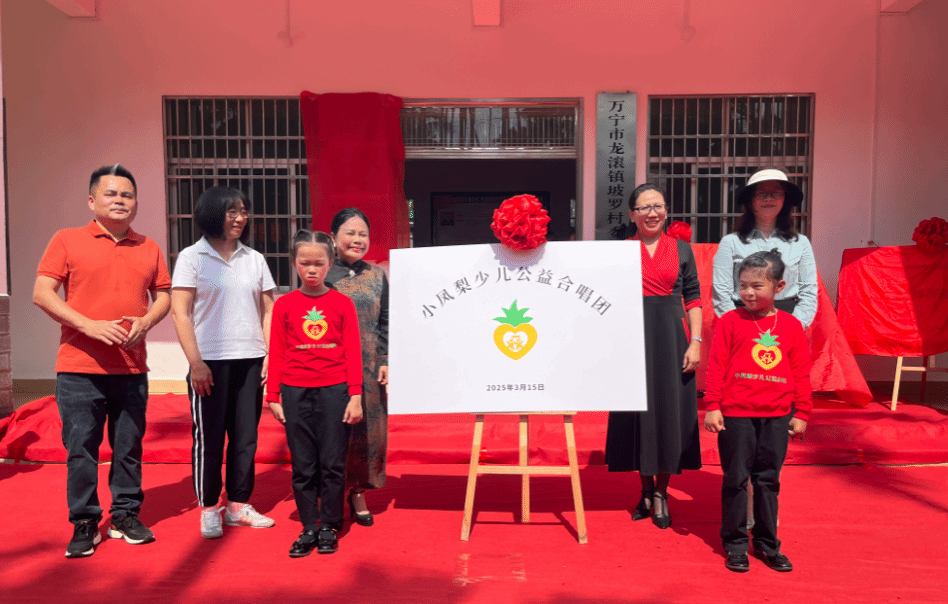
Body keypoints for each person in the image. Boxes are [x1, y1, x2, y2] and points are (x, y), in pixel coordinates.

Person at [33, 164, 171, 558]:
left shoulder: (149, 246)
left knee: (128, 447)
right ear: (92, 201)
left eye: (127, 195)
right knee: (82, 449)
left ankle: (125, 515)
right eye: (111, 194)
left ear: (136, 203)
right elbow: (42, 293)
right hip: (79, 368)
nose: (119, 200)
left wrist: (147, 321)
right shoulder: (67, 239)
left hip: (131, 367)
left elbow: (163, 294)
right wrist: (88, 326)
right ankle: (85, 522)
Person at [170, 186, 277, 539]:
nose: (241, 218)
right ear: (213, 214)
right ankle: (208, 508)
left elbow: (269, 309)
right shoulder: (192, 258)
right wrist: (196, 363)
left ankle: (238, 505)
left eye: (244, 211)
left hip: (250, 359)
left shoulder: (254, 258)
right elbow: (180, 312)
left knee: (245, 437)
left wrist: (269, 354)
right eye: (232, 211)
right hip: (210, 363)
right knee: (210, 439)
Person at [703, 250, 811, 573]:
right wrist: (712, 405)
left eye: (757, 286)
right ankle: (735, 544)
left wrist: (802, 412)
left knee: (768, 481)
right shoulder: (730, 321)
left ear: (779, 287)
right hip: (736, 415)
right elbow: (716, 365)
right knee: (736, 479)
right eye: (743, 286)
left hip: (777, 415)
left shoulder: (790, 326)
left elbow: (801, 371)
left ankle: (766, 544)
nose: (748, 293)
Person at [605, 183, 703, 529]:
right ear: (632, 214)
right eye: (644, 207)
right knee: (638, 414)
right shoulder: (620, 252)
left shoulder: (682, 249)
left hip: (672, 338)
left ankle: (662, 492)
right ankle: (645, 491)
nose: (652, 213)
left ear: (666, 211)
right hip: (632, 338)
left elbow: (693, 296)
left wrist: (696, 341)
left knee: (668, 413)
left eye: (657, 206)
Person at [266, 230, 364, 557]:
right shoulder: (284, 305)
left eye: (319, 263)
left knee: (333, 462)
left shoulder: (342, 304)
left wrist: (355, 395)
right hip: (295, 391)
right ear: (294, 263)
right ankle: (309, 525)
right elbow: (277, 351)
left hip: (335, 391)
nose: (311, 269)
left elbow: (353, 352)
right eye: (304, 263)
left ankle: (330, 525)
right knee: (303, 464)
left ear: (330, 263)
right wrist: (273, 395)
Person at [326, 208, 388, 527]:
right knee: (334, 431)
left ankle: (359, 492)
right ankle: (331, 493)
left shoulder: (377, 276)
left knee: (367, 433)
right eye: (350, 233)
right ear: (333, 237)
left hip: (369, 368)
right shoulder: (323, 274)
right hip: (332, 367)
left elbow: (386, 321)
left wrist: (385, 359)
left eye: (363, 234)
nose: (357, 239)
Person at [712, 168, 817, 329]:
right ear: (750, 200)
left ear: (785, 199)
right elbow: (721, 293)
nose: (768, 198)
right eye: (761, 193)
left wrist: (794, 327)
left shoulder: (801, 243)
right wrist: (739, 329)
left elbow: (809, 292)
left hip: (788, 322)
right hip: (742, 323)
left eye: (776, 193)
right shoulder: (730, 242)